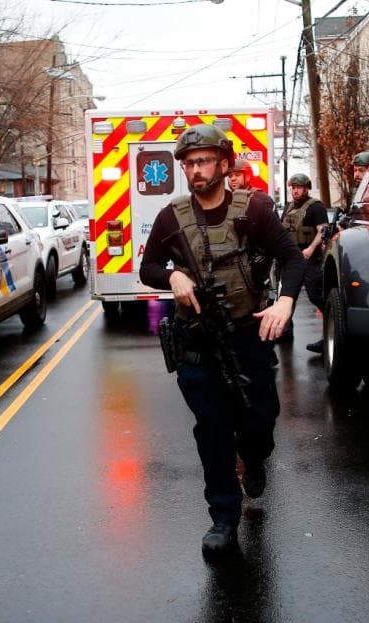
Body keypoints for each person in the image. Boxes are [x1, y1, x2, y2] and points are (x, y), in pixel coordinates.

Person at [139, 123, 305, 560]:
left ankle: (254, 458)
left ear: (225, 163)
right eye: (189, 163)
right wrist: (172, 274)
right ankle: (223, 518)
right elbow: (148, 267)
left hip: (249, 334)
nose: (195, 169)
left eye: (204, 160)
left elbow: (291, 258)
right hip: (197, 340)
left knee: (258, 420)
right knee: (211, 428)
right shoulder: (171, 217)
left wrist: (285, 302)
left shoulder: (255, 211)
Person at [280, 173, 329, 353]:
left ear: (306, 188)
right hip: (291, 259)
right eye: (292, 187)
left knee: (316, 296)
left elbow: (322, 230)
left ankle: (330, 334)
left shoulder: (315, 207)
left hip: (310, 258)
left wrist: (310, 249)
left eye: (298, 187)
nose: (295, 190)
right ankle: (285, 332)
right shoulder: (288, 207)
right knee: (287, 296)